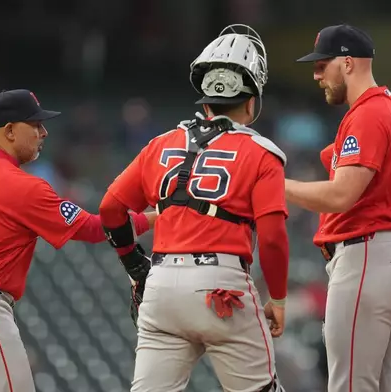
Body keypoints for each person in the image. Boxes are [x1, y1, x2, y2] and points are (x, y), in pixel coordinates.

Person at [0, 89, 156, 392]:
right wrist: (153, 218)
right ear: (9, 131)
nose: (43, 132)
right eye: (34, 125)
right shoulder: (22, 186)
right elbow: (91, 228)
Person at [99, 24, 289, 392]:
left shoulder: (159, 144)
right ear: (251, 100)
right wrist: (278, 298)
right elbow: (274, 239)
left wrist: (134, 264)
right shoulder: (261, 152)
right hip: (222, 287)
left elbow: (110, 210)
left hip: (161, 287)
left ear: (203, 95)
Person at [286, 24, 391, 392]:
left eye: (322, 65)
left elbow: (340, 195)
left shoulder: (368, 113)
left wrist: (273, 186)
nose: (316, 75)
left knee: (351, 386)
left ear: (347, 63)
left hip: (368, 258)